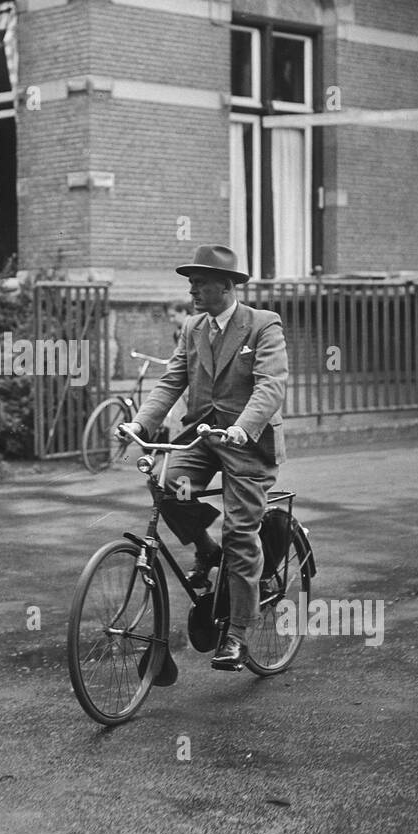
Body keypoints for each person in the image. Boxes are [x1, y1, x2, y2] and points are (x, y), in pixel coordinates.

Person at [121, 244, 288, 671]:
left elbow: (271, 386)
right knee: (165, 485)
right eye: (191, 282)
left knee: (240, 533)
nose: (192, 290)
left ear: (227, 286)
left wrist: (242, 427)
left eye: (200, 282)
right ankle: (205, 548)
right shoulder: (194, 327)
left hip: (247, 443)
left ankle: (237, 635)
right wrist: (141, 424)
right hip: (201, 438)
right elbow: (172, 379)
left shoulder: (263, 326)